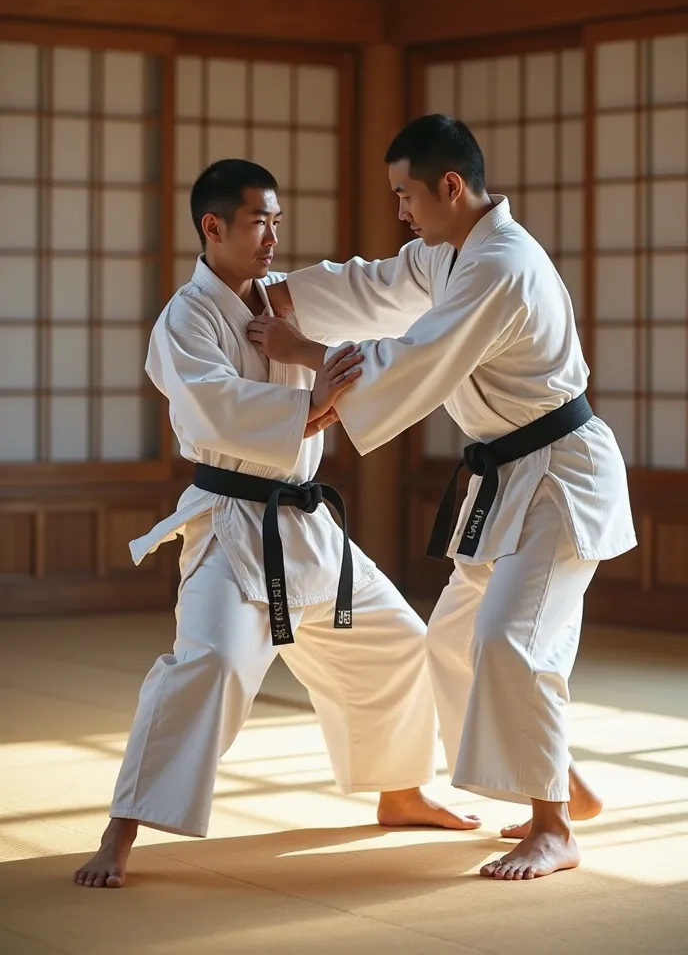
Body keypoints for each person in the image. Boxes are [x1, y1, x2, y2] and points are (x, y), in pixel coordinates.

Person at [73, 158, 480, 890]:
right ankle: (122, 828)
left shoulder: (288, 300)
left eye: (277, 221)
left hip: (305, 523)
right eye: (259, 220)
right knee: (212, 667)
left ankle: (399, 789)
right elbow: (215, 407)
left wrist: (453, 249)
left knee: (398, 644)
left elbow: (376, 289)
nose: (271, 236)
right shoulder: (185, 319)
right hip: (232, 526)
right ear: (213, 226)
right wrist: (315, 401)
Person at [247, 116, 636, 881]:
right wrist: (277, 293)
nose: (401, 211)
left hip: (561, 477)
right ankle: (558, 780)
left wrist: (305, 358)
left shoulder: (502, 266)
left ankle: (553, 826)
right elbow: (374, 284)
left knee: (509, 641)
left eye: (406, 195)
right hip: (511, 478)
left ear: (450, 187)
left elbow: (419, 357)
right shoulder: (450, 253)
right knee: (452, 643)